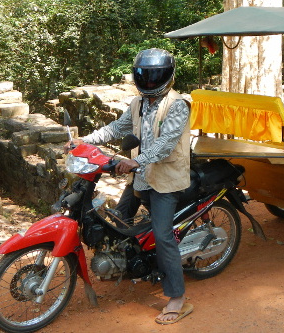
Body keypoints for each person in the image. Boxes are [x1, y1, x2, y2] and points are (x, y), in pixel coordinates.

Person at [64, 48, 193, 324]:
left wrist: (136, 162)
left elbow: (165, 144)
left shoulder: (178, 104)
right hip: (141, 177)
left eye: (153, 76)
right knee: (118, 221)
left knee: (162, 236)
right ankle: (129, 266)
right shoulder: (138, 103)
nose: (148, 81)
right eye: (144, 76)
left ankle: (178, 297)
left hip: (165, 182)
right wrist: (84, 141)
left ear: (166, 76)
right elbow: (116, 128)